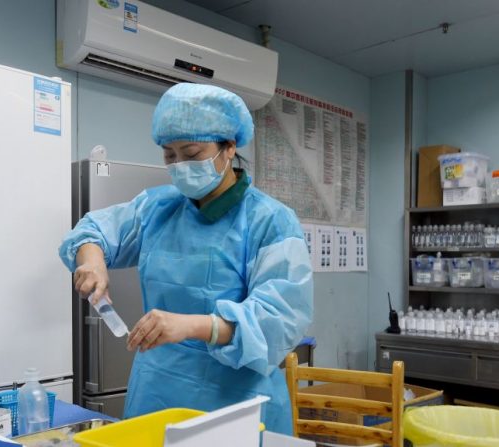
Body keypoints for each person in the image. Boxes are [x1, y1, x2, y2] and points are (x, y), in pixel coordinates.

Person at [58, 83, 313, 434]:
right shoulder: (159, 207)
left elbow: (279, 322)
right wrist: (92, 261)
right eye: (169, 155)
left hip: (235, 406)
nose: (180, 166)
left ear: (229, 147)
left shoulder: (270, 221)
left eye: (192, 153)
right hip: (157, 395)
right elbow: (93, 231)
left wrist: (193, 326)